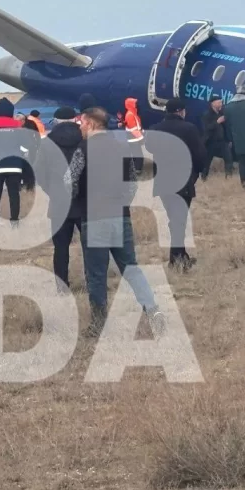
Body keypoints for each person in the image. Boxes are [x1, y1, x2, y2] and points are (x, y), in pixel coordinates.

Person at [64, 107, 165, 337]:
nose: (79, 126)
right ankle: (153, 310)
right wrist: (122, 203)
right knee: (131, 268)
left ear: (90, 124)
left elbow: (69, 182)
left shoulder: (83, 149)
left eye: (81, 122)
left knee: (96, 274)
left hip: (94, 217)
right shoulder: (121, 147)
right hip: (120, 216)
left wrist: (77, 199)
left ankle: (99, 324)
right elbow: (131, 183)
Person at [148, 98, 206, 271]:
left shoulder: (155, 129)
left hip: (163, 180)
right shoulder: (188, 129)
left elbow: (149, 149)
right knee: (180, 219)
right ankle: (176, 258)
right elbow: (199, 154)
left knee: (175, 218)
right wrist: (196, 172)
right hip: (183, 179)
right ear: (181, 111)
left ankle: (179, 256)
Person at [38, 106, 83, 293]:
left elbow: (40, 173)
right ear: (75, 119)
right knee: (90, 246)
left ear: (55, 121)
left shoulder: (47, 143)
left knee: (61, 248)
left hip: (58, 202)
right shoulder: (84, 139)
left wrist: (52, 191)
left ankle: (61, 286)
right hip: (84, 202)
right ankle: (94, 281)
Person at [0, 98, 32, 227]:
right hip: (14, 165)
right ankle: (14, 221)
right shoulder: (18, 125)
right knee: (14, 193)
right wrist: (23, 156)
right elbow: (26, 146)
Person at [200, 94, 233, 179]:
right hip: (211, 141)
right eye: (219, 102)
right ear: (213, 104)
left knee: (229, 159)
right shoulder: (207, 115)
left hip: (223, 141)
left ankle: (228, 177)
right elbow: (207, 128)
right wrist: (217, 122)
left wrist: (229, 139)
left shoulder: (223, 113)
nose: (221, 104)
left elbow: (227, 127)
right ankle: (204, 177)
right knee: (207, 161)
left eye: (221, 102)